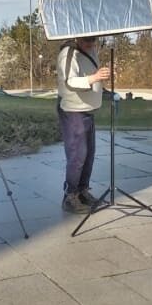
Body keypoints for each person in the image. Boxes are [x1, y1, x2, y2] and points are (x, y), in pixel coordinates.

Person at [56, 36, 111, 213]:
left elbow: (92, 75)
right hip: (73, 109)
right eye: (87, 41)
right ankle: (70, 196)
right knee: (78, 155)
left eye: (93, 41)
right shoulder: (68, 54)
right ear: (78, 38)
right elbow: (70, 81)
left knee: (88, 154)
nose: (91, 44)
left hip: (87, 108)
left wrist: (100, 80)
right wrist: (94, 77)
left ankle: (82, 191)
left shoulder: (90, 50)